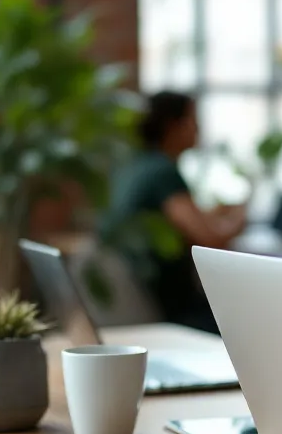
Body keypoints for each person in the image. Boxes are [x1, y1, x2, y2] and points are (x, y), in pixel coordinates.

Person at [99, 91, 247, 333]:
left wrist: (215, 214)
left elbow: (176, 221)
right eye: (192, 120)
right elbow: (210, 240)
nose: (198, 128)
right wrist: (240, 218)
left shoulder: (134, 165)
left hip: (138, 295)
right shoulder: (163, 173)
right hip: (173, 308)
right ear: (172, 126)